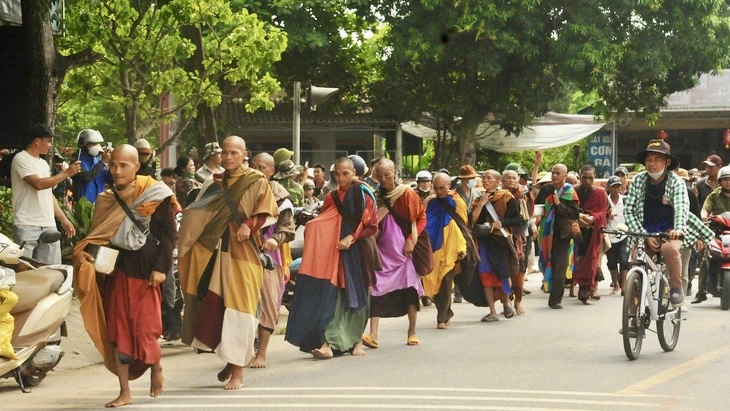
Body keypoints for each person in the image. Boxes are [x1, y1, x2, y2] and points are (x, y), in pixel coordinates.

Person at [73, 144, 177, 407]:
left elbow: (168, 236)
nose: (117, 170)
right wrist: (86, 254)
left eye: (124, 165)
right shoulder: (106, 199)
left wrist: (161, 269)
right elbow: (98, 237)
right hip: (116, 273)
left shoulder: (156, 194)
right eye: (113, 165)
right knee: (118, 333)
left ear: (136, 167)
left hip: (146, 274)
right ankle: (124, 392)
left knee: (145, 329)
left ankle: (156, 366)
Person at [177, 136, 279, 390]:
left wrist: (248, 224)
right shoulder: (214, 183)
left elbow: (268, 212)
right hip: (215, 252)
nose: (229, 156)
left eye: (234, 152)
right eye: (225, 152)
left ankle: (238, 373)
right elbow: (197, 212)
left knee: (240, 310)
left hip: (244, 254)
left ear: (245, 154)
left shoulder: (256, 180)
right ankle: (230, 361)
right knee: (216, 308)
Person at [286, 157, 378, 358]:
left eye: (347, 173)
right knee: (336, 297)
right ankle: (328, 343)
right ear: (334, 175)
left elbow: (372, 226)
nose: (342, 177)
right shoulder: (331, 197)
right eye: (338, 174)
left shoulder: (364, 194)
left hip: (359, 251)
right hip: (336, 253)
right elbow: (327, 222)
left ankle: (356, 341)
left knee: (360, 296)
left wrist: (351, 238)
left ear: (354, 173)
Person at [625, 139, 713, 308]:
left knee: (669, 249)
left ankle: (676, 289)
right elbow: (629, 210)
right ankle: (632, 317)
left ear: (667, 162)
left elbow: (681, 208)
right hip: (644, 231)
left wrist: (678, 229)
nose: (652, 164)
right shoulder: (637, 180)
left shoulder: (677, 182)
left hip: (670, 231)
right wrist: (643, 234)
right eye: (649, 159)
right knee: (636, 264)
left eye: (657, 159)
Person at [362, 158, 426, 348]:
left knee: (410, 291)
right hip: (383, 251)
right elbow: (371, 221)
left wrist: (410, 241)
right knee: (376, 288)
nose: (384, 179)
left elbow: (420, 218)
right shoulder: (376, 196)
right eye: (379, 176)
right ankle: (373, 334)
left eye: (387, 175)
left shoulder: (406, 193)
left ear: (395, 173)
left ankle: (412, 331)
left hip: (405, 253)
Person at [249, 153, 296, 368]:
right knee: (241, 304)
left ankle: (262, 353)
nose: (257, 170)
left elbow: (287, 228)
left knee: (267, 303)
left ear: (271, 171)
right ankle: (243, 351)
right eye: (253, 166)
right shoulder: (241, 192)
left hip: (270, 257)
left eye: (262, 167)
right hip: (243, 253)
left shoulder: (280, 197)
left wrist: (276, 239)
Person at [11, 123, 80, 264]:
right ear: (37, 141)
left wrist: (63, 219)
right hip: (26, 223)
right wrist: (66, 173)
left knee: (50, 269)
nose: (50, 145)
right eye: (48, 141)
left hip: (48, 223)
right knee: (24, 269)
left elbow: (48, 194)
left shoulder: (43, 163)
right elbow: (38, 184)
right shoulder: (21, 158)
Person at [472, 170, 521, 321]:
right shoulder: (479, 199)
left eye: (489, 178)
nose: (485, 180)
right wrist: (481, 203)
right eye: (484, 178)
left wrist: (502, 223)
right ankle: (493, 312)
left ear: (497, 182)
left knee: (502, 272)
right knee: (485, 274)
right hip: (485, 242)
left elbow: (518, 219)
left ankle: (507, 303)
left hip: (501, 241)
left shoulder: (506, 197)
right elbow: (473, 221)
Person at [422, 173, 468, 328]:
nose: (439, 191)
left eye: (442, 187)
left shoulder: (457, 202)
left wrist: (463, 247)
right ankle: (446, 312)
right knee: (433, 282)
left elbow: (463, 226)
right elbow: (422, 221)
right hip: (432, 246)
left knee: (446, 282)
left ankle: (441, 318)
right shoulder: (432, 202)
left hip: (451, 247)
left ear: (449, 185)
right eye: (435, 188)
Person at [536, 164, 581, 309]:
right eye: (553, 173)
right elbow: (537, 205)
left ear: (564, 176)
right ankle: (549, 287)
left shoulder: (569, 191)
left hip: (563, 234)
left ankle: (555, 300)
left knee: (560, 267)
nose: (554, 175)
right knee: (549, 262)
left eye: (558, 173)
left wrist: (558, 204)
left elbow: (574, 213)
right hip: (547, 233)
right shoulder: (547, 189)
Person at [572, 165, 608, 304]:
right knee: (579, 259)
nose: (587, 180)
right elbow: (569, 208)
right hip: (576, 230)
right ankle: (578, 288)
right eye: (584, 177)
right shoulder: (574, 190)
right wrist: (579, 215)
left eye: (590, 178)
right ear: (580, 177)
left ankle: (586, 293)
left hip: (592, 231)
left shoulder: (599, 192)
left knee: (592, 261)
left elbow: (603, 212)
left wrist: (593, 218)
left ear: (594, 177)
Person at [695, 165, 730, 303]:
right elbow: (705, 209)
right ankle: (701, 291)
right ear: (720, 181)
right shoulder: (714, 195)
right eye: (725, 179)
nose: (728, 182)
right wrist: (703, 216)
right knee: (705, 256)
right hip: (718, 231)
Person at [501, 169, 530, 313]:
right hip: (500, 237)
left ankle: (518, 301)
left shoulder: (522, 195)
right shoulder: (497, 196)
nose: (511, 180)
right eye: (508, 178)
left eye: (514, 178)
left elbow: (523, 217)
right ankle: (506, 302)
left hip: (518, 237)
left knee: (518, 268)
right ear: (502, 180)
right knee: (503, 270)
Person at [453, 164, 482, 303]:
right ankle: (457, 291)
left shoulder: (477, 193)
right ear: (463, 180)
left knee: (471, 261)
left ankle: (469, 289)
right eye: (470, 178)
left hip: (473, 232)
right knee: (459, 261)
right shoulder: (455, 194)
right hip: (459, 230)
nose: (473, 181)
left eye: (473, 178)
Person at [72, 128, 111, 203]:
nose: (96, 146)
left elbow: (108, 179)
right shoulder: (77, 161)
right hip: (83, 206)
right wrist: (102, 162)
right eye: (93, 144)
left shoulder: (97, 161)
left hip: (100, 204)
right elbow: (87, 177)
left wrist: (113, 164)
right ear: (84, 144)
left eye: (97, 144)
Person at [605, 176, 629, 295]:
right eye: (613, 186)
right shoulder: (605, 201)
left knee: (624, 260)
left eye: (618, 186)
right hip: (609, 235)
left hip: (624, 235)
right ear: (608, 188)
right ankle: (615, 284)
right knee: (612, 262)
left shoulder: (625, 200)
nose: (616, 189)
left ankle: (624, 287)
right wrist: (606, 215)